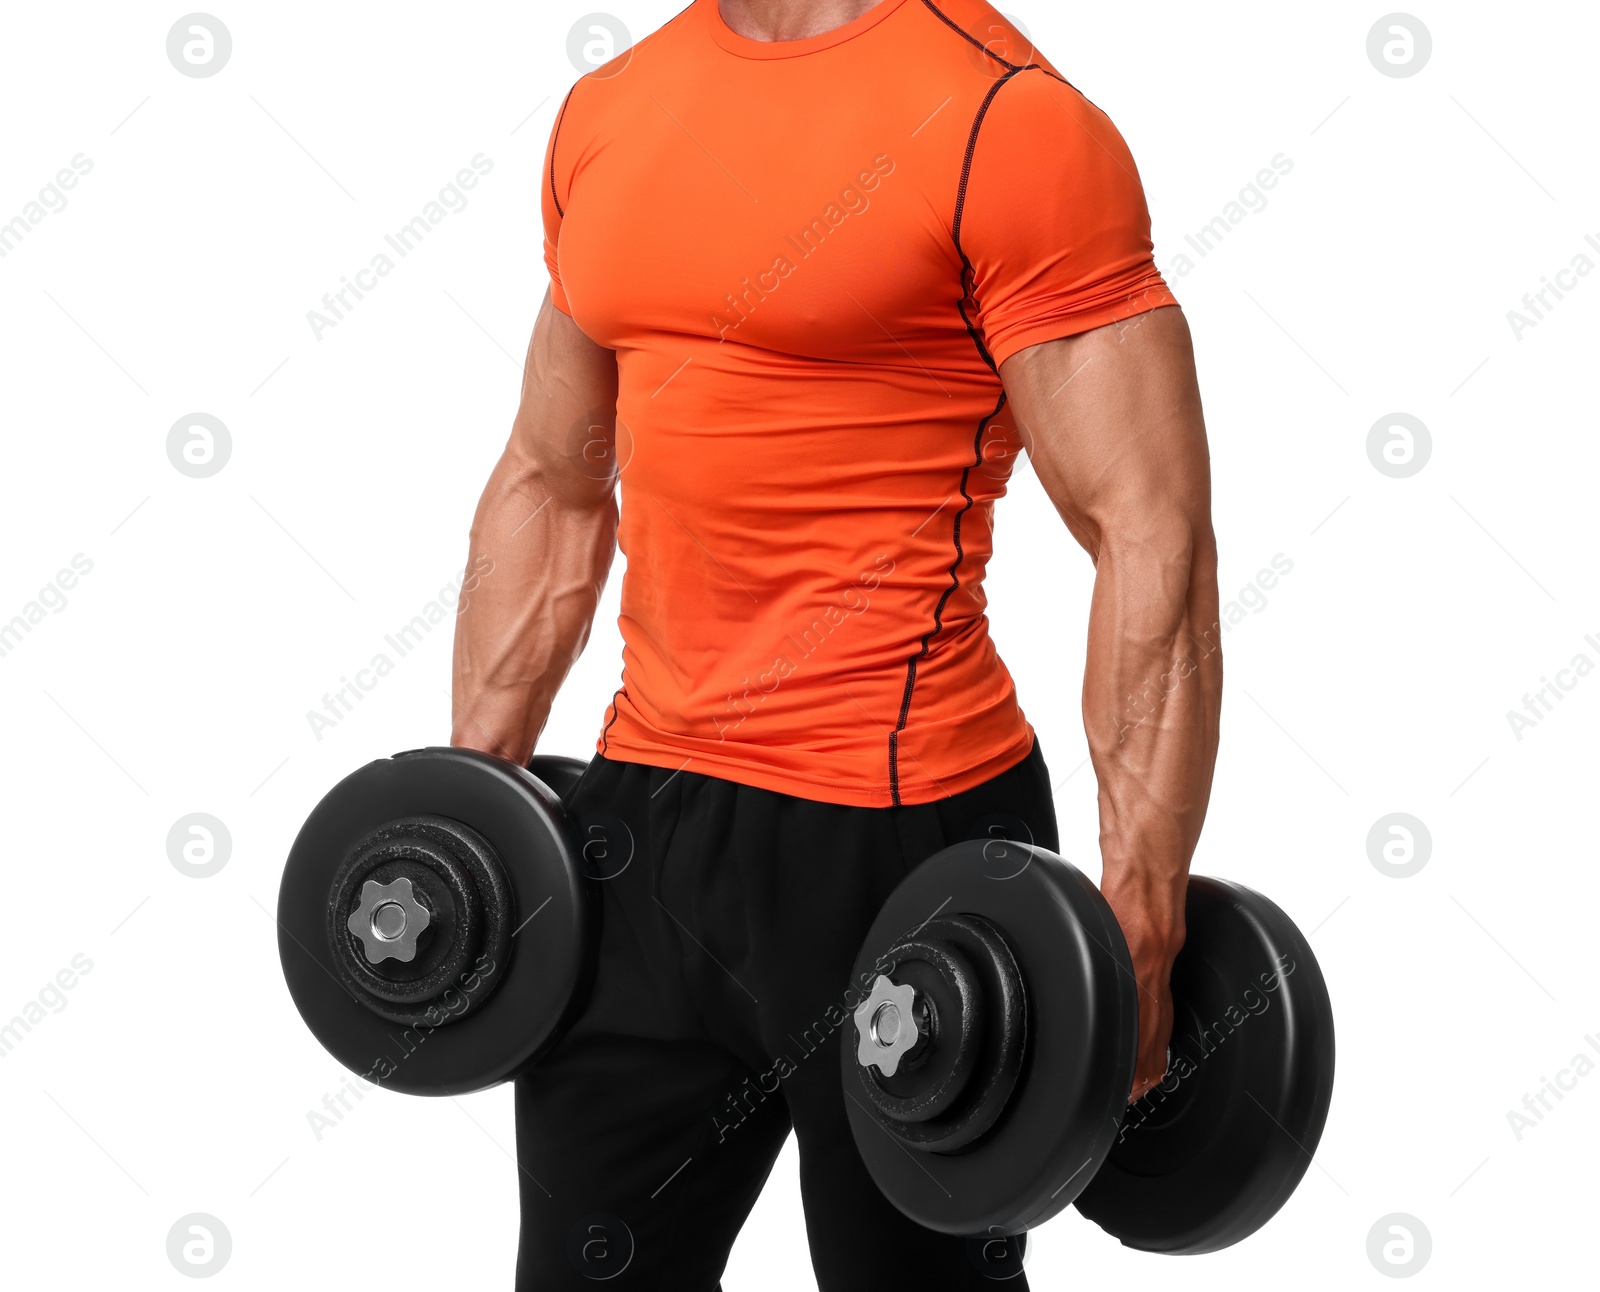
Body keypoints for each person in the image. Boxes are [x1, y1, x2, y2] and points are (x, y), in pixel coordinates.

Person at [450, 0, 1220, 1285]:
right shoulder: (610, 111)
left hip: (896, 839)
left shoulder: (1007, 123)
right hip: (640, 830)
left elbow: (1150, 532)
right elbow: (550, 474)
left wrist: (1141, 918)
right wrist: (474, 805)